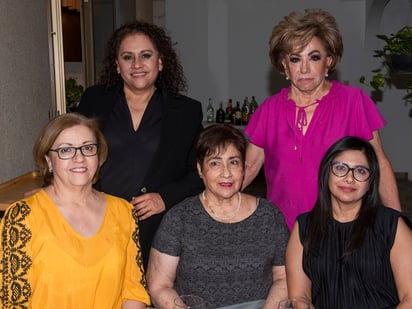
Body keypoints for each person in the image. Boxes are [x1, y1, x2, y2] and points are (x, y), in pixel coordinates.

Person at [243, 9, 401, 230]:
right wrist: (208, 205)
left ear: (329, 61)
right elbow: (248, 167)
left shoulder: (353, 102)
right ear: (284, 66)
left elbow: (380, 164)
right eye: (295, 59)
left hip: (343, 231)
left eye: (314, 57)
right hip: (283, 233)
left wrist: (398, 225)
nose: (305, 68)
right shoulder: (269, 110)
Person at [77, 21, 204, 267]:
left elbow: (200, 172)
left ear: (160, 61)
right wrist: (51, 190)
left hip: (156, 229)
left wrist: (165, 197)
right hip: (98, 222)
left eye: (146, 55)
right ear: (117, 65)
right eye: (127, 57)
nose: (137, 65)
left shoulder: (186, 111)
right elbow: (73, 154)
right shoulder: (94, 100)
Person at [0, 113, 150, 308]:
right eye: (65, 150)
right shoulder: (22, 217)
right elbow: (13, 303)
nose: (79, 158)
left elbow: (133, 290)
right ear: (49, 161)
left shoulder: (123, 211)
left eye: (87, 148)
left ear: (98, 155)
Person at [147, 124, 290, 309]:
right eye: (215, 163)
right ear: (200, 169)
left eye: (234, 162)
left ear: (243, 168)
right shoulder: (179, 219)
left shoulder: (269, 216)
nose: (226, 173)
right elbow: (160, 286)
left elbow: (284, 278)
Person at [285, 136, 412, 309]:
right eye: (340, 168)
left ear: (369, 183)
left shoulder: (392, 225)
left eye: (360, 171)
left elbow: (410, 298)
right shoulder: (305, 226)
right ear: (326, 173)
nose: (349, 178)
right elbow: (300, 297)